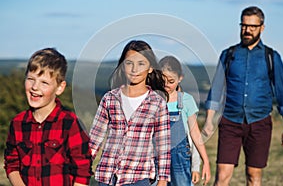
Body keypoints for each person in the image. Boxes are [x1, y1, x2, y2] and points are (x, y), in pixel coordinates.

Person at [205, 6, 283, 186]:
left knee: (254, 176)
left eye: (252, 27)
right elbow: (216, 88)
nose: (247, 30)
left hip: (260, 123)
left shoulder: (271, 56)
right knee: (222, 175)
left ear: (262, 27)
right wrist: (208, 121)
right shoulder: (228, 55)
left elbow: (282, 92)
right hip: (230, 121)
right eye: (244, 26)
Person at [4, 48, 92, 186]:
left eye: (44, 83)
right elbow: (12, 164)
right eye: (31, 79)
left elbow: (82, 171)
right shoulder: (17, 123)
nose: (35, 87)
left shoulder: (70, 123)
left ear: (60, 88)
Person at [89, 40, 171, 186]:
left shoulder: (157, 103)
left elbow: (162, 144)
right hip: (107, 176)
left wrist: (163, 180)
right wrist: (82, 169)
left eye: (141, 64)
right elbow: (95, 139)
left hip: (138, 177)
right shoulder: (110, 99)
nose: (134, 69)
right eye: (129, 63)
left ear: (150, 68)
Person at [158, 56, 211, 186]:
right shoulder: (154, 99)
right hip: (156, 159)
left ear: (180, 78)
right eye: (162, 81)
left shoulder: (186, 101)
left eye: (171, 81)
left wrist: (203, 163)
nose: (166, 85)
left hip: (180, 161)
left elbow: (195, 135)